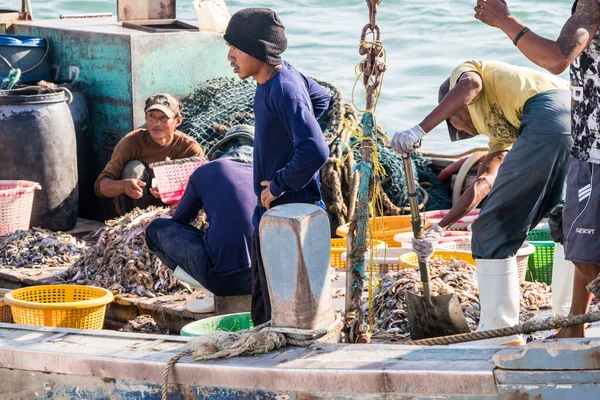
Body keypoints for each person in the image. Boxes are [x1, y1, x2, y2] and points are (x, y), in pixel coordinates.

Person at [391, 60, 572, 345]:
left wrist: (420, 129)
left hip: (549, 113)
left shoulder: (466, 74)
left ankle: (499, 332)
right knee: (567, 219)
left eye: (454, 122)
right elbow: (483, 183)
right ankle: (568, 321)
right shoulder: (500, 133)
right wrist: (440, 228)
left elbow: (471, 85)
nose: (462, 131)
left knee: (492, 228)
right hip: (581, 116)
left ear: (455, 106)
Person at [473, 0, 600, 340]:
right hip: (586, 145)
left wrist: (506, 21)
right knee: (580, 239)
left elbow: (557, 58)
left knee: (582, 239)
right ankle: (574, 324)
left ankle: (573, 324)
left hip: (596, 151)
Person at [224, 8, 331, 325]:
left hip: (288, 214)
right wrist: (293, 136)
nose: (230, 55)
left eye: (236, 47)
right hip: (273, 213)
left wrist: (280, 183)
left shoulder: (284, 88)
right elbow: (322, 98)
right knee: (268, 301)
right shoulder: (277, 78)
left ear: (259, 49)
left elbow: (315, 149)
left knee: (275, 312)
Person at [145, 125, 255, 313]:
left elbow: (180, 221)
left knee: (155, 229)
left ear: (226, 148)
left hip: (224, 282)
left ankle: (212, 292)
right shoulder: (272, 176)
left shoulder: (205, 171)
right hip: (267, 280)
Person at [94, 93, 204, 216]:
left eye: (163, 118)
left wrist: (171, 192)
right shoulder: (131, 142)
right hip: (137, 213)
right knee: (133, 168)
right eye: (151, 117)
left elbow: (204, 188)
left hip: (176, 210)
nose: (156, 123)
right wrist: (125, 185)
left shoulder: (189, 147)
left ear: (177, 121)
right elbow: (101, 187)